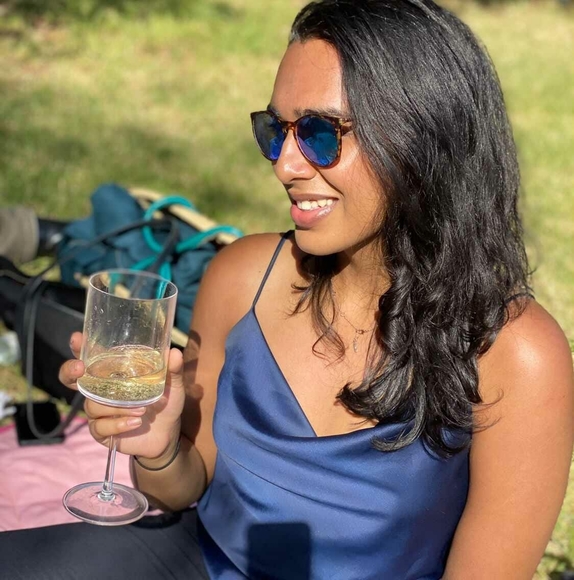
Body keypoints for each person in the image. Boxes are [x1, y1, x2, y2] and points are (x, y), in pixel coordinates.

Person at [1, 1, 572, 578]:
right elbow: (180, 489)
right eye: (275, 131)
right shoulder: (244, 277)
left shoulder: (516, 355)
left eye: (321, 134)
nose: (285, 165)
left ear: (423, 138)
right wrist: (160, 447)